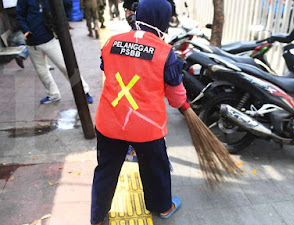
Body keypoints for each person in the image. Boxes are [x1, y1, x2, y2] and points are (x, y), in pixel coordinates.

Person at [90, 0, 189, 224]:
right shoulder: (166, 53)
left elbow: (106, 68)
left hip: (109, 122)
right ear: (163, 20)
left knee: (106, 169)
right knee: (156, 168)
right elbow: (176, 98)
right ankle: (163, 207)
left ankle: (96, 216)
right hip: (146, 127)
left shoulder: (111, 42)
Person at [16, 0, 93, 104]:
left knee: (66, 66)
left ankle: (84, 91)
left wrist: (63, 21)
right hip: (32, 42)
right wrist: (25, 30)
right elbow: (20, 15)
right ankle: (53, 94)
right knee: (41, 72)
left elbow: (67, 4)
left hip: (50, 39)